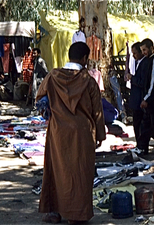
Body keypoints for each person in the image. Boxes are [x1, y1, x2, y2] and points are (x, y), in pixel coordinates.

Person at [36, 42, 106, 224]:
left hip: (58, 132)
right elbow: (97, 111)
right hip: (82, 133)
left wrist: (51, 113)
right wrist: (99, 135)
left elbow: (39, 99)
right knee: (81, 173)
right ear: (84, 59)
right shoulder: (89, 82)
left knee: (57, 170)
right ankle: (77, 215)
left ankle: (55, 212)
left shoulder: (52, 77)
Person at [126, 42, 150, 154]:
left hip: (140, 98)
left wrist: (132, 78)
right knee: (136, 123)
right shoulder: (138, 63)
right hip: (136, 98)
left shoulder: (145, 63)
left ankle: (142, 146)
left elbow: (143, 82)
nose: (134, 56)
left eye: (135, 53)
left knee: (140, 124)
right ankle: (139, 144)